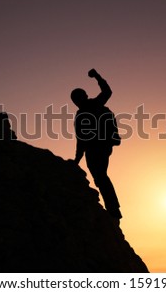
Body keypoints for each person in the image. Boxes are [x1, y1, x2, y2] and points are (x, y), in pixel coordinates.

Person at [70, 69, 122, 221]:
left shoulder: (92, 105)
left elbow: (107, 91)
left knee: (101, 177)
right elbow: (81, 139)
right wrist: (77, 160)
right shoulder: (85, 112)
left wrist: (97, 76)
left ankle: (114, 209)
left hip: (98, 146)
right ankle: (113, 209)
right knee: (100, 177)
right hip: (101, 146)